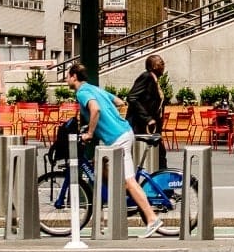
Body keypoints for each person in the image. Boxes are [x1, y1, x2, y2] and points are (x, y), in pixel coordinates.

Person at [67, 62, 164, 237]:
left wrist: (90, 132)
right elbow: (119, 102)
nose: (67, 80)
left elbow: (95, 109)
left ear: (74, 76)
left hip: (117, 138)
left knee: (129, 181)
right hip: (123, 132)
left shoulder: (82, 92)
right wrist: (108, 118)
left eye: (68, 76)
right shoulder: (94, 88)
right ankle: (114, 201)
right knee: (98, 164)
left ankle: (152, 218)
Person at [126, 54, 167, 167]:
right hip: (141, 126)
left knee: (160, 154)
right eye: (161, 63)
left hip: (151, 127)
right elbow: (132, 97)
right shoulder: (146, 77)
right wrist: (148, 118)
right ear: (153, 66)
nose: (164, 65)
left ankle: (160, 180)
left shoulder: (154, 80)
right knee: (159, 155)